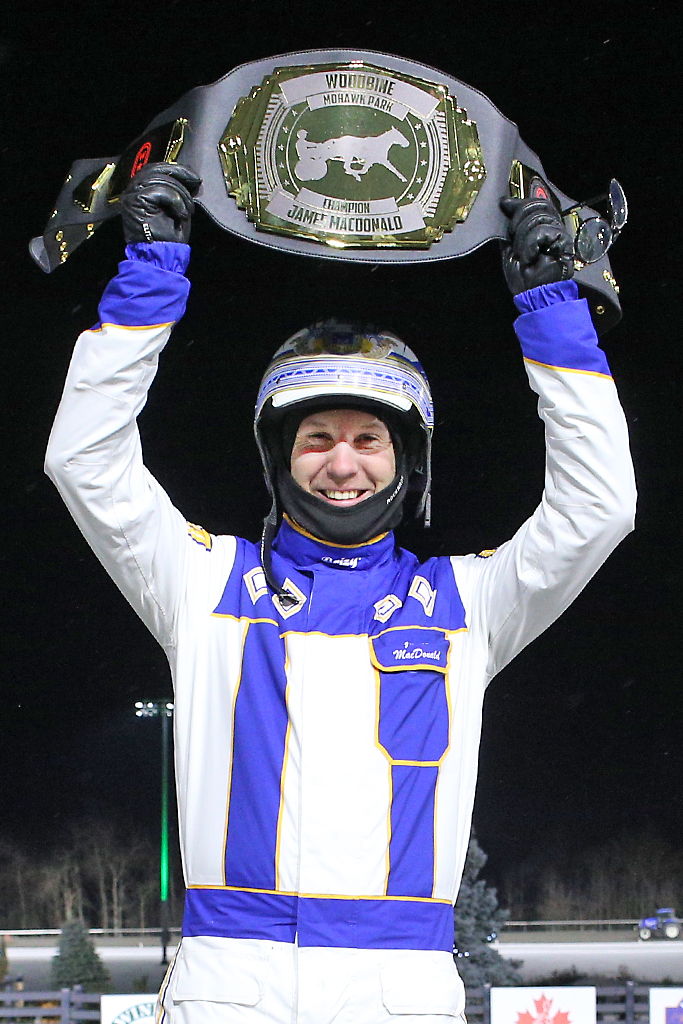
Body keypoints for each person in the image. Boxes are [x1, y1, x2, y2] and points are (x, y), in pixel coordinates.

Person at [45, 163, 636, 1023]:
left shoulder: (467, 606)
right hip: (226, 989)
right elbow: (83, 461)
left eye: (369, 439)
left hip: (398, 992)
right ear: (280, 459)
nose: (343, 462)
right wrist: (149, 276)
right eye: (317, 437)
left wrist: (554, 313)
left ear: (407, 463)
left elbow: (600, 505)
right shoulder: (202, 582)